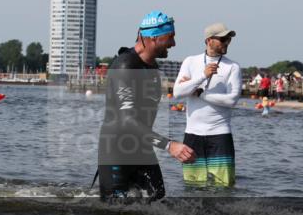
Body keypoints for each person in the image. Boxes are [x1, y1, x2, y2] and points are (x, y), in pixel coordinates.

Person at [96, 11, 195, 202]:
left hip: (141, 146)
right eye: (170, 37)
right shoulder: (125, 66)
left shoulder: (152, 68)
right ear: (154, 37)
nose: (174, 43)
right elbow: (126, 120)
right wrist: (169, 145)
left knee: (157, 197)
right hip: (117, 150)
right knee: (114, 210)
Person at [173, 22, 242, 188]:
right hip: (192, 135)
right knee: (192, 188)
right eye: (223, 39)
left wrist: (200, 93)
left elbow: (232, 100)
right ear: (209, 40)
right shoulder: (190, 62)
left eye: (228, 40)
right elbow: (177, 92)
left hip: (220, 135)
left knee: (224, 188)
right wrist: (202, 76)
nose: (227, 43)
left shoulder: (233, 67)